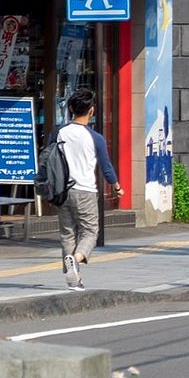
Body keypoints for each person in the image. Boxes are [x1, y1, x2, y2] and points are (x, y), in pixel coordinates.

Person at [56, 88, 122, 290]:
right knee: (90, 231)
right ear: (91, 111)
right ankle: (75, 260)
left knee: (68, 234)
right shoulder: (95, 138)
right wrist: (117, 186)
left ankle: (73, 279)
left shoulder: (59, 133)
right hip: (85, 190)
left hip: (62, 190)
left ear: (70, 109)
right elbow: (106, 166)